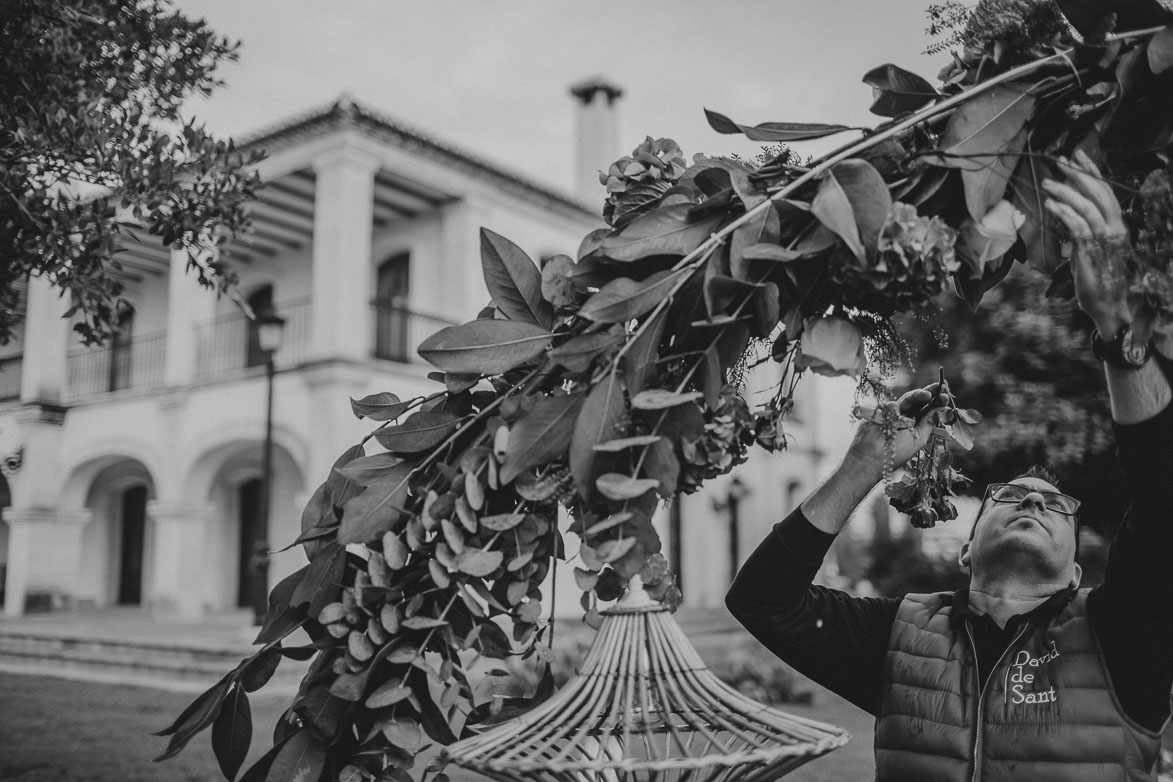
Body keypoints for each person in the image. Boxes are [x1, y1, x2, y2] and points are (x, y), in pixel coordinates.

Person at [726, 149, 1173, 781]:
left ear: (1076, 571)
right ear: (965, 554)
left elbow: (1164, 503)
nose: (1034, 500)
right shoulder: (901, 637)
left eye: (1054, 502)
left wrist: (1118, 332)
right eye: (1010, 495)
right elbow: (763, 602)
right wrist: (864, 463)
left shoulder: (1127, 636)